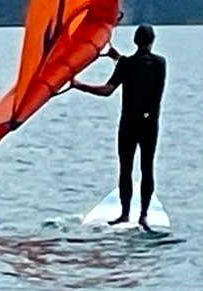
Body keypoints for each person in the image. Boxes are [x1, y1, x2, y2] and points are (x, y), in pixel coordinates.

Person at [71, 24, 166, 231]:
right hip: (150, 124)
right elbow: (141, 65)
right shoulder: (160, 63)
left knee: (126, 169)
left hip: (129, 124)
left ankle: (124, 214)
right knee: (147, 168)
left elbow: (107, 90)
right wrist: (118, 59)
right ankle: (143, 216)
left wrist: (79, 85)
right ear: (152, 41)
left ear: (135, 41)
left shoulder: (126, 65)